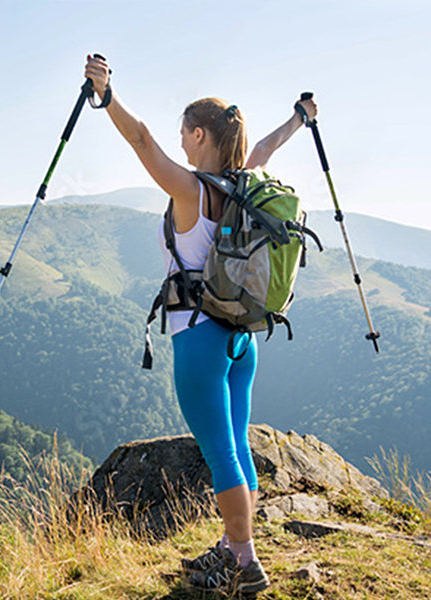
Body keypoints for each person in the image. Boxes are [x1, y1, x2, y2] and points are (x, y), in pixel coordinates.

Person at [83, 54, 316, 593]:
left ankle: (244, 562)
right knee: (235, 446)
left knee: (220, 453)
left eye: (184, 134)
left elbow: (141, 140)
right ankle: (233, 547)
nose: (179, 144)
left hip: (200, 339)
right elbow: (267, 147)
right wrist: (300, 119)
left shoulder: (191, 191)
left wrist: (107, 95)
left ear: (198, 134)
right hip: (241, 339)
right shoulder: (243, 185)